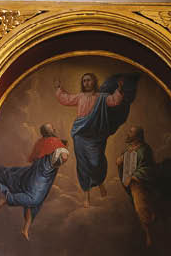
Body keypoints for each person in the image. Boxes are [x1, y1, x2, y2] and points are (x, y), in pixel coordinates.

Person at [55, 70, 138, 202]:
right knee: (82, 164)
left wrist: (119, 90)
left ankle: (100, 183)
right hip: (80, 134)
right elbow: (66, 99)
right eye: (84, 81)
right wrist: (59, 89)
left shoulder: (102, 97)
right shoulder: (80, 97)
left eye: (89, 80)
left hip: (95, 136)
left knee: (96, 162)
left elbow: (114, 101)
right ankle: (86, 195)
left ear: (94, 82)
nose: (86, 83)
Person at [0, 144, 70, 239]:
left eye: (64, 161)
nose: (63, 162)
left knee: (33, 203)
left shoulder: (54, 166)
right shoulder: (45, 159)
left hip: (44, 179)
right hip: (38, 176)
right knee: (34, 199)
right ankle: (7, 199)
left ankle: (25, 229)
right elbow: (37, 159)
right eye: (62, 159)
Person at [117, 126, 157, 246]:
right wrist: (120, 162)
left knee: (142, 209)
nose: (128, 134)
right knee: (135, 209)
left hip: (141, 185)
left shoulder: (145, 150)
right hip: (131, 186)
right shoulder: (128, 149)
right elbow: (126, 167)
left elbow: (148, 168)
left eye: (131, 132)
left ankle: (150, 235)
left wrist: (134, 177)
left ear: (137, 136)